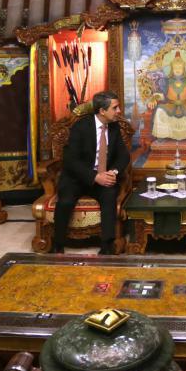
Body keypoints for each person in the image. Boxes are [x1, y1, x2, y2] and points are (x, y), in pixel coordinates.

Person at [53, 90, 130, 255]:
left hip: (104, 177)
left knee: (109, 195)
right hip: (78, 178)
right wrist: (95, 177)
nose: (119, 111)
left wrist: (113, 172)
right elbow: (70, 160)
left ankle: (107, 246)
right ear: (102, 111)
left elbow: (124, 155)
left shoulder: (114, 127)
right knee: (65, 201)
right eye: (115, 108)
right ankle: (58, 244)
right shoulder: (81, 127)